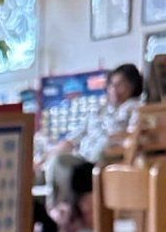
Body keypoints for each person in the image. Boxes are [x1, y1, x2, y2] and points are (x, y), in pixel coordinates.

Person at [46, 63, 144, 223]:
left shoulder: (135, 108)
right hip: (84, 159)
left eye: (121, 85)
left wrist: (114, 139)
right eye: (112, 84)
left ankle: (71, 214)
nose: (114, 89)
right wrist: (46, 157)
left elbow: (134, 136)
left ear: (133, 86)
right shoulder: (99, 110)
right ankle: (55, 212)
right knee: (57, 162)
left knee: (102, 146)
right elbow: (72, 139)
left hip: (108, 162)